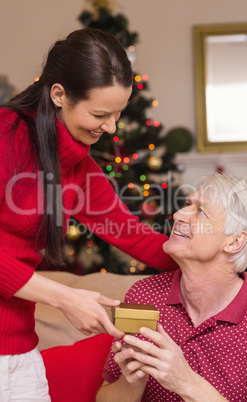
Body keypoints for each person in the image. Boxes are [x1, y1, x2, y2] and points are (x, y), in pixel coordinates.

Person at [0, 28, 182, 401]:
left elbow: (135, 237)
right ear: (59, 95)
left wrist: (225, 268)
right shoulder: (5, 136)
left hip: (18, 351)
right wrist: (65, 298)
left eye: (118, 114)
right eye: (100, 114)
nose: (111, 128)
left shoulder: (79, 168)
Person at [97, 173, 247, 402]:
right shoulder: (144, 295)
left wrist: (185, 381)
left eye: (201, 211)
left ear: (235, 242)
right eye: (188, 203)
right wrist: (132, 381)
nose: (178, 214)